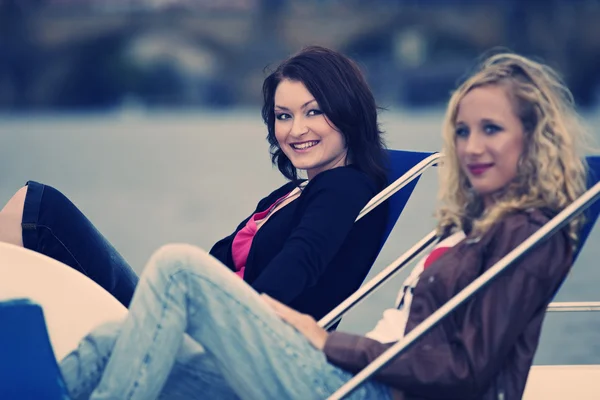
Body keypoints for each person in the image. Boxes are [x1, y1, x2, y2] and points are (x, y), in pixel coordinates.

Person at [60, 51, 590, 400]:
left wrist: (329, 343)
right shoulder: (474, 227)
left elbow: (467, 370)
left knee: (178, 266)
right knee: (111, 336)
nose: (471, 146)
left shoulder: (531, 232)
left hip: (362, 385)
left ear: (533, 137)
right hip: (351, 375)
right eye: (463, 130)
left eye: (491, 129)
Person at [0, 46, 389, 320]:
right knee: (31, 205)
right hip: (180, 316)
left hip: (205, 336)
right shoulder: (293, 193)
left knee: (40, 210)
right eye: (283, 115)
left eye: (314, 112)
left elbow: (296, 269)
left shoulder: (343, 187)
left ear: (347, 111)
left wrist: (203, 316)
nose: (295, 130)